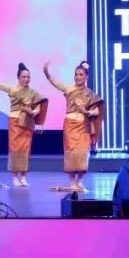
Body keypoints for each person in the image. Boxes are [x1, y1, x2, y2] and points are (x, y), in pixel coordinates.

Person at [43, 60, 104, 192]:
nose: (78, 77)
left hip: (83, 126)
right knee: (71, 153)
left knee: (82, 153)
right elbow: (55, 82)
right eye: (76, 74)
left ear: (86, 76)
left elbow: (97, 111)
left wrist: (86, 111)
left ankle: (79, 181)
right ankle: (72, 182)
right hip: (70, 126)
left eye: (81, 74)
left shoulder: (90, 94)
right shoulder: (69, 89)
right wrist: (46, 72)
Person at [0, 62, 47, 187]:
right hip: (14, 121)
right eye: (24, 77)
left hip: (27, 122)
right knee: (15, 148)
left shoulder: (33, 93)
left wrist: (34, 112)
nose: (26, 79)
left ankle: (23, 177)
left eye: (28, 77)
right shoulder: (13, 90)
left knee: (26, 148)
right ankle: (14, 177)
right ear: (18, 78)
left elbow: (40, 105)